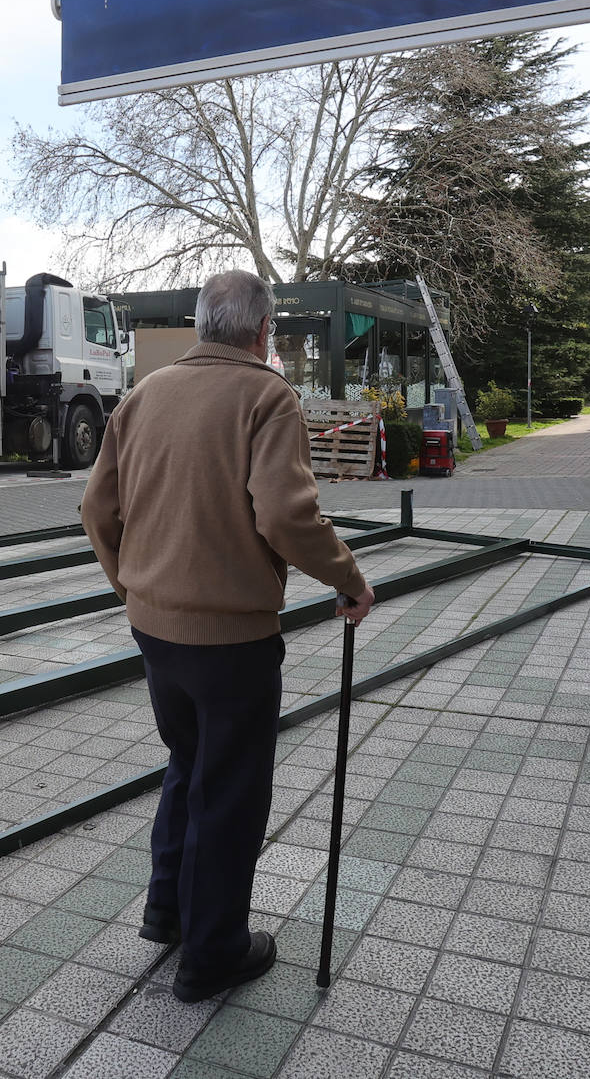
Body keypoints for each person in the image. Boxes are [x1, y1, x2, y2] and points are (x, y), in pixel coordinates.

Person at [81, 270, 375, 1004]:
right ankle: (212, 955)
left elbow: (95, 507)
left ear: (201, 323)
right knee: (231, 791)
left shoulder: (142, 395)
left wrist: (131, 584)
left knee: (186, 763)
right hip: (231, 638)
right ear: (262, 331)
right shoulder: (266, 396)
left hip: (154, 627)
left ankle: (167, 912)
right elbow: (285, 515)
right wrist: (349, 579)